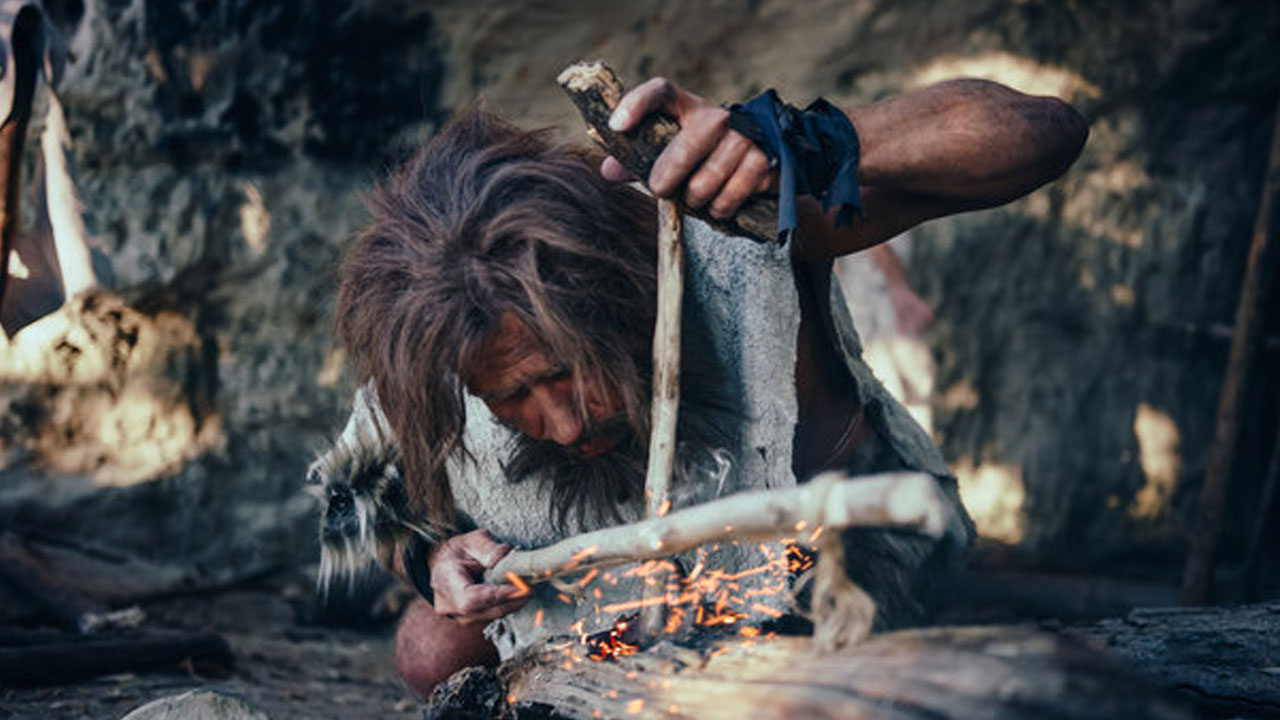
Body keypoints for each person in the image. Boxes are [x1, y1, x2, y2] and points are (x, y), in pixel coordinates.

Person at [329, 74, 1087, 696]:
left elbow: (1045, 132)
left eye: (565, 374)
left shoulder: (728, 247)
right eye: (510, 399)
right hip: (616, 606)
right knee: (433, 650)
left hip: (820, 588)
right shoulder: (439, 338)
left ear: (618, 297)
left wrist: (802, 143)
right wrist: (428, 564)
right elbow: (354, 493)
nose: (559, 425)